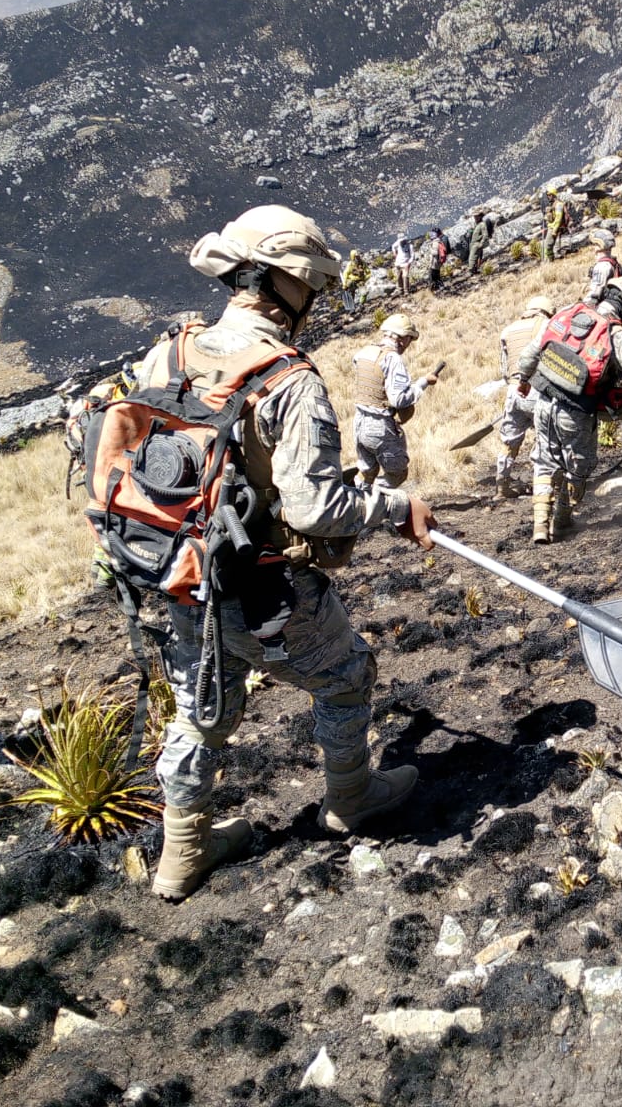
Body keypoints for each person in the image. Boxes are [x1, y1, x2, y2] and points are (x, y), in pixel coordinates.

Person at [119, 205, 436, 900]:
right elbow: (315, 508)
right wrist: (394, 507)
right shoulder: (288, 379)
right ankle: (352, 798)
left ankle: (182, 855)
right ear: (291, 286)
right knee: (347, 674)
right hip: (264, 586)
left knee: (201, 713)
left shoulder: (169, 352)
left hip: (178, 577)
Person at [518, 277, 622, 543]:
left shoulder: (567, 313)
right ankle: (562, 520)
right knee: (580, 464)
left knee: (544, 459)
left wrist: (523, 380)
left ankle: (540, 525)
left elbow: (531, 352)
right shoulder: (616, 335)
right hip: (576, 411)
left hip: (542, 401)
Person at [351, 313, 438, 490]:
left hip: (359, 423)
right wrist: (423, 383)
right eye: (409, 339)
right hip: (379, 425)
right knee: (398, 473)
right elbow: (398, 399)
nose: (408, 344)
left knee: (367, 472)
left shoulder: (364, 352)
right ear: (403, 338)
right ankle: (378, 503)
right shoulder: (393, 359)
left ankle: (359, 507)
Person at [493, 295, 555, 499]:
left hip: (513, 390)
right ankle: (543, 486)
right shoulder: (548, 325)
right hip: (536, 389)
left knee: (509, 440)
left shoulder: (508, 330)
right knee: (545, 439)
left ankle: (502, 486)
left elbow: (504, 368)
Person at [585, 230, 622, 303]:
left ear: (600, 246)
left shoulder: (601, 266)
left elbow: (594, 294)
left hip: (599, 307)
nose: (593, 247)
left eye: (595, 244)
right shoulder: (614, 263)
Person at [468, 209, 490, 275]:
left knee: (472, 258)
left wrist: (481, 243)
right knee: (474, 258)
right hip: (473, 243)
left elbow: (485, 235)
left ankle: (471, 272)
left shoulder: (482, 224)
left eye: (477, 216)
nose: (475, 218)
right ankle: (474, 270)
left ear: (480, 216)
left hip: (477, 244)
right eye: (474, 216)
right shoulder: (477, 224)